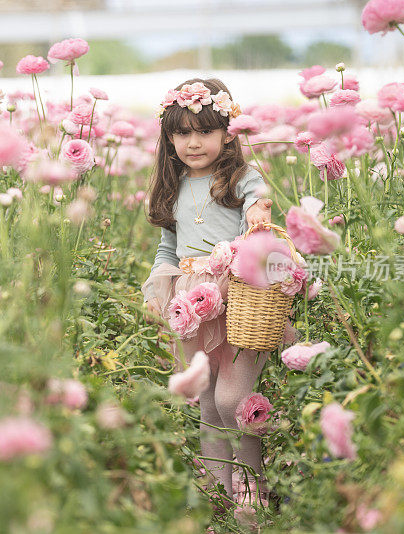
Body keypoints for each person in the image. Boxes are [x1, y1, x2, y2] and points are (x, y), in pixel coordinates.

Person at [140, 78, 274, 511]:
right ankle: (218, 497)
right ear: (169, 137)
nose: (193, 142)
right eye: (182, 133)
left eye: (204, 131)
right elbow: (168, 249)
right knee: (208, 402)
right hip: (190, 303)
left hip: (235, 295)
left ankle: (251, 492)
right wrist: (159, 287)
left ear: (226, 132)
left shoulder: (240, 177)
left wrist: (256, 210)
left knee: (234, 400)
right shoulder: (173, 185)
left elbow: (259, 209)